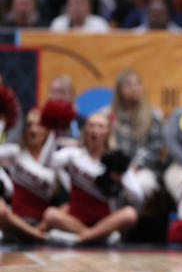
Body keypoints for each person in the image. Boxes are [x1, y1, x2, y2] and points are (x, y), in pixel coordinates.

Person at [43, 112, 142, 245]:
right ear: (85, 131)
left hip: (105, 220)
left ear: (108, 132)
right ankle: (98, 237)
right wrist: (54, 136)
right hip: (75, 219)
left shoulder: (117, 160)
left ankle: (79, 239)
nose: (95, 130)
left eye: (100, 126)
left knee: (130, 214)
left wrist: (121, 180)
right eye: (91, 126)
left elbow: (138, 197)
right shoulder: (74, 154)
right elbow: (47, 163)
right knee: (50, 214)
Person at [103, 69, 164, 199]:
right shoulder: (107, 115)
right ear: (119, 90)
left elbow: (154, 148)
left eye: (137, 84)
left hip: (143, 168)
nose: (134, 88)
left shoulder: (153, 115)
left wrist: (134, 165)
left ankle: (131, 218)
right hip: (113, 168)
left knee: (141, 185)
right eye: (129, 85)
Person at [0, 108, 55, 242]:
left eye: (38, 125)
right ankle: (34, 234)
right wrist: (1, 123)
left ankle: (35, 232)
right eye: (29, 125)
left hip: (44, 223)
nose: (33, 130)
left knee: (56, 213)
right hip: (14, 220)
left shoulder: (56, 158)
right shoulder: (16, 152)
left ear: (47, 130)